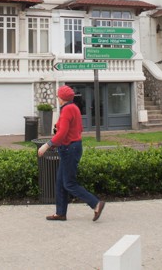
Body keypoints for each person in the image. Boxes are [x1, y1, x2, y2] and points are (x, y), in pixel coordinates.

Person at [38, 85, 105, 222]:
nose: (57, 98)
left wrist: (47, 145)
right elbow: (77, 128)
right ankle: (60, 213)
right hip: (71, 147)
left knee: (69, 183)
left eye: (58, 96)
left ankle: (96, 204)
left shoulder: (67, 109)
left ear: (62, 98)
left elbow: (62, 132)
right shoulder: (74, 107)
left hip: (69, 149)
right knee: (60, 182)